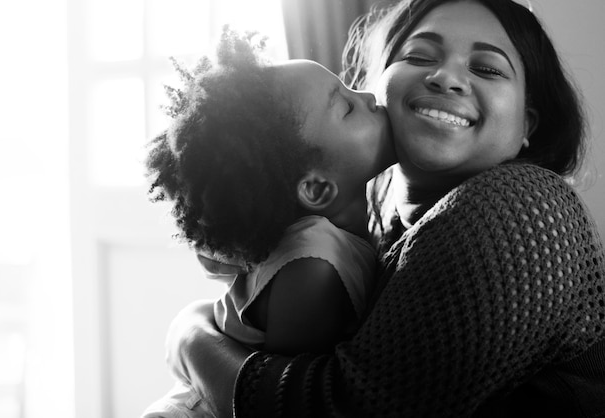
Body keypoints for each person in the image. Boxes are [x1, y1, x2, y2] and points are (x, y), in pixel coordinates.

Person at [163, 0, 605, 417]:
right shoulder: (383, 228)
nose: (445, 78)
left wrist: (190, 336)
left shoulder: (519, 207)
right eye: (419, 56)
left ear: (527, 124)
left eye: (487, 68)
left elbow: (339, 409)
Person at [141, 27, 395, 417]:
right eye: (346, 107)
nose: (368, 96)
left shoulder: (339, 233)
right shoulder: (315, 265)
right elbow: (280, 400)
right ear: (316, 188)